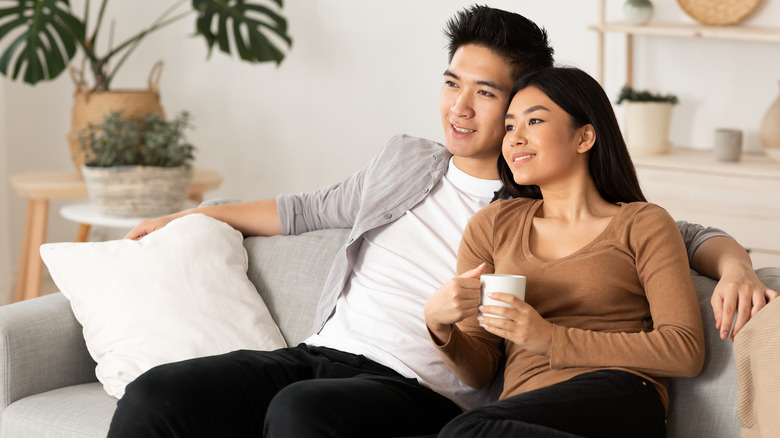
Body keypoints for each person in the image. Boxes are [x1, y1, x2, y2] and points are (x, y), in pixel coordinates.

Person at [109, 5, 774, 437]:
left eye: (487, 95)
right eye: (452, 82)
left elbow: (663, 230)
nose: (461, 106)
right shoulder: (405, 161)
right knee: (157, 396)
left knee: (301, 416)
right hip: (317, 355)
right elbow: (307, 209)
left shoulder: (531, 204)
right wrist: (190, 215)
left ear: (531, 106)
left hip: (415, 390)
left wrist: (737, 262)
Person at [426, 66, 705, 438]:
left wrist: (550, 339)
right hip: (518, 413)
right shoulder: (492, 225)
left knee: (467, 432)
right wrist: (440, 327)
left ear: (585, 136)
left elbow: (685, 350)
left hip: (620, 396)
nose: (514, 139)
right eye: (509, 127)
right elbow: (480, 372)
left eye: (534, 121)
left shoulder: (643, 223)